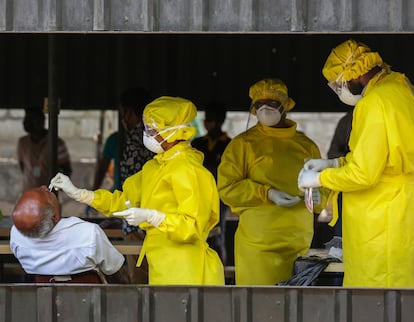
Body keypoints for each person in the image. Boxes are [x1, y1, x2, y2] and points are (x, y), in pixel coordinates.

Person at [49, 96, 225, 286]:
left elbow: (192, 226)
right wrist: (80, 194)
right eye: (147, 127)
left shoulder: (189, 170)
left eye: (152, 129)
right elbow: (123, 201)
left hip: (188, 269)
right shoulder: (154, 167)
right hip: (160, 265)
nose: (146, 133)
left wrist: (153, 217)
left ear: (174, 132)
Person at [298, 39, 414, 287]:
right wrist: (334, 164)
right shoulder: (400, 87)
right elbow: (380, 157)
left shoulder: (374, 103)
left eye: (339, 84)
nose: (340, 90)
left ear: (355, 74)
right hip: (400, 211)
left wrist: (320, 178)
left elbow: (364, 174)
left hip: (380, 218)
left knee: (375, 295)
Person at [217, 78, 322, 285]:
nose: (264, 109)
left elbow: (323, 186)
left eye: (272, 103)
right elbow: (227, 188)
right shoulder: (243, 144)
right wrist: (266, 193)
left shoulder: (306, 146)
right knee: (260, 307)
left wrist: (319, 195)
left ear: (286, 106)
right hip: (258, 246)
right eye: (259, 104)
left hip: (299, 244)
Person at [10, 186, 125, 283]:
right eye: (46, 194)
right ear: (54, 217)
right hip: (90, 301)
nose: (44, 187)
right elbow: (112, 268)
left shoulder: (17, 235)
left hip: (45, 301)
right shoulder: (87, 233)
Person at [117, 87, 154, 284]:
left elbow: (132, 184)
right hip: (152, 221)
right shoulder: (155, 138)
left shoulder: (134, 140)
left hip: (136, 224)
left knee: (139, 280)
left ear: (130, 112)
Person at [192, 100, 231, 264]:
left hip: (220, 197)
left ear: (220, 120)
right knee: (198, 235)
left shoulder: (229, 145)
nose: (207, 122)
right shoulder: (197, 143)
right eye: (206, 118)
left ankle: (220, 273)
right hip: (198, 196)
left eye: (211, 119)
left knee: (217, 236)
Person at [17, 106, 72, 192]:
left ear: (41, 122)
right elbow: (22, 167)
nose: (27, 122)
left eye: (32, 119)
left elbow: (66, 169)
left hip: (49, 195)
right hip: (28, 193)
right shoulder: (22, 142)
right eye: (27, 119)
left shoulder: (56, 143)